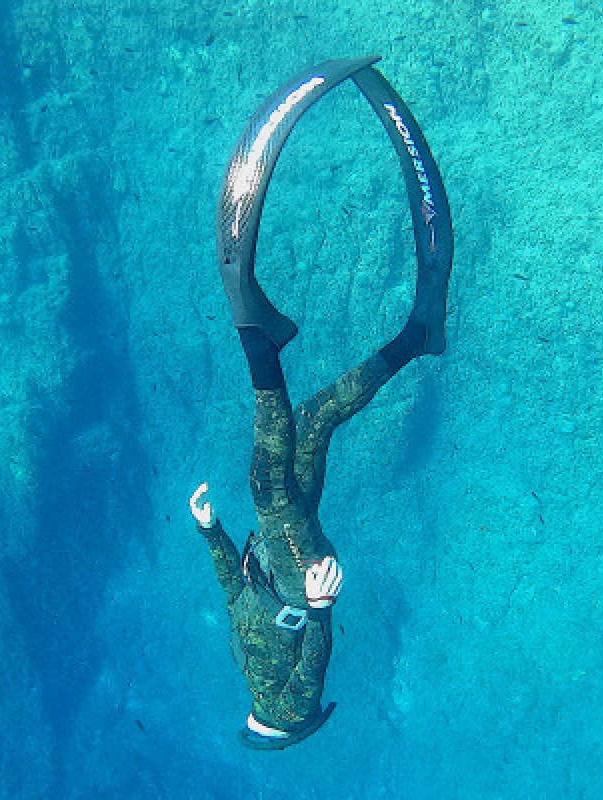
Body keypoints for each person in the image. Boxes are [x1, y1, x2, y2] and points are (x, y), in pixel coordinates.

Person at [191, 56, 453, 750]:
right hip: (300, 569)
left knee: (311, 422)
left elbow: (230, 593)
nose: (259, 712)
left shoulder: (251, 679)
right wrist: (319, 604)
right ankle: (259, 339)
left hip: (273, 562)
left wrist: (210, 532)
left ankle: (417, 336)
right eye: (264, 722)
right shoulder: (291, 703)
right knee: (265, 484)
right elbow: (314, 650)